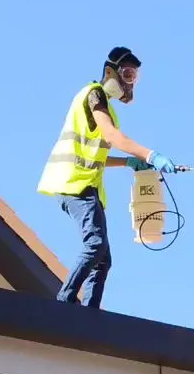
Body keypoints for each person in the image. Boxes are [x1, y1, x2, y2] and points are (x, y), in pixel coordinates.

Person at [37, 47, 176, 308]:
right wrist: (150, 155)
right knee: (96, 245)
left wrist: (127, 163)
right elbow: (113, 137)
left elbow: (98, 155)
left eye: (133, 76)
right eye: (126, 73)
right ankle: (64, 302)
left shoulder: (106, 109)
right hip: (74, 184)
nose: (128, 81)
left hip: (83, 185)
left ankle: (90, 315)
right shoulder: (94, 95)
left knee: (103, 259)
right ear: (110, 71)